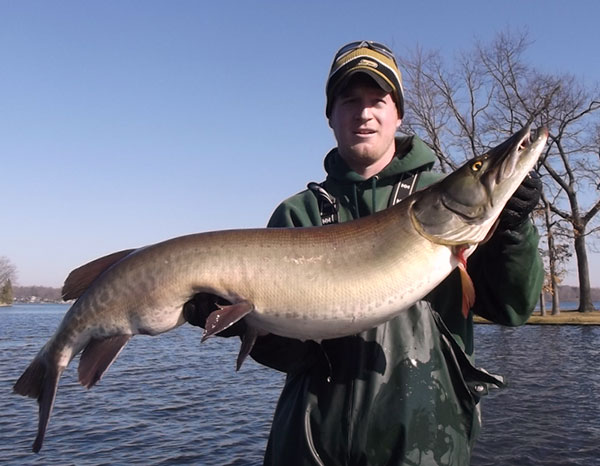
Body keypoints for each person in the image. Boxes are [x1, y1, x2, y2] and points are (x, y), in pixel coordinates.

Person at [184, 41, 544, 465]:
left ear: (398, 114)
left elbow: (513, 308)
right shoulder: (298, 213)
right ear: (331, 116)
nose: (364, 112)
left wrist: (513, 231)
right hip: (309, 443)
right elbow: (289, 355)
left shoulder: (447, 204)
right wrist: (238, 321)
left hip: (427, 443)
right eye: (350, 101)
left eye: (378, 100)